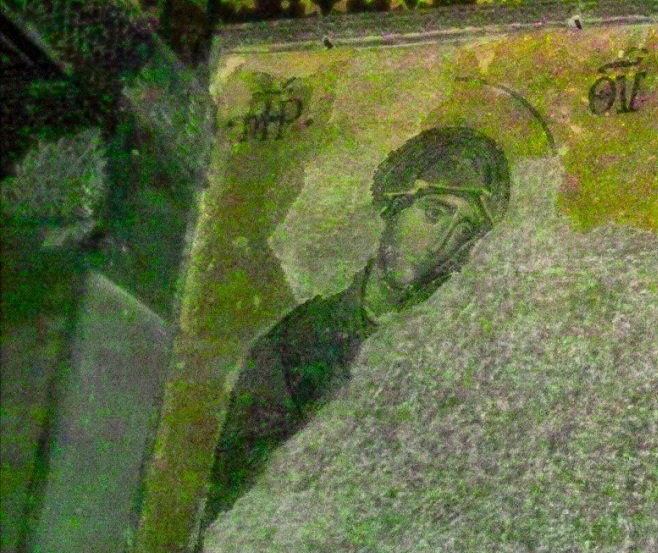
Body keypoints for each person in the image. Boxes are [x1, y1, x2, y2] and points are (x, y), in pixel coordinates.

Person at [204, 126, 510, 524]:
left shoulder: (450, 355)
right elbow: (232, 483)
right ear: (393, 204)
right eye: (433, 214)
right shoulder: (300, 336)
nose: (440, 243)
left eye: (463, 231)